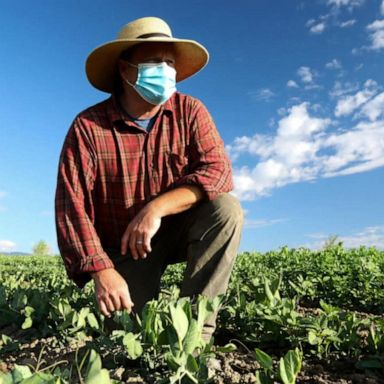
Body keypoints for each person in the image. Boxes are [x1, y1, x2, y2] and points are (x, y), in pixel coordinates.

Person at [55, 16, 243, 342]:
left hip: (176, 229)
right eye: (155, 62)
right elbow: (71, 207)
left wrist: (155, 209)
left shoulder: (190, 111)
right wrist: (103, 271)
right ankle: (130, 293)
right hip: (124, 248)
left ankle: (195, 332)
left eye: (170, 62)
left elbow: (219, 171)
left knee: (226, 209)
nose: (166, 70)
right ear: (126, 70)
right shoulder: (88, 126)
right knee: (131, 337)